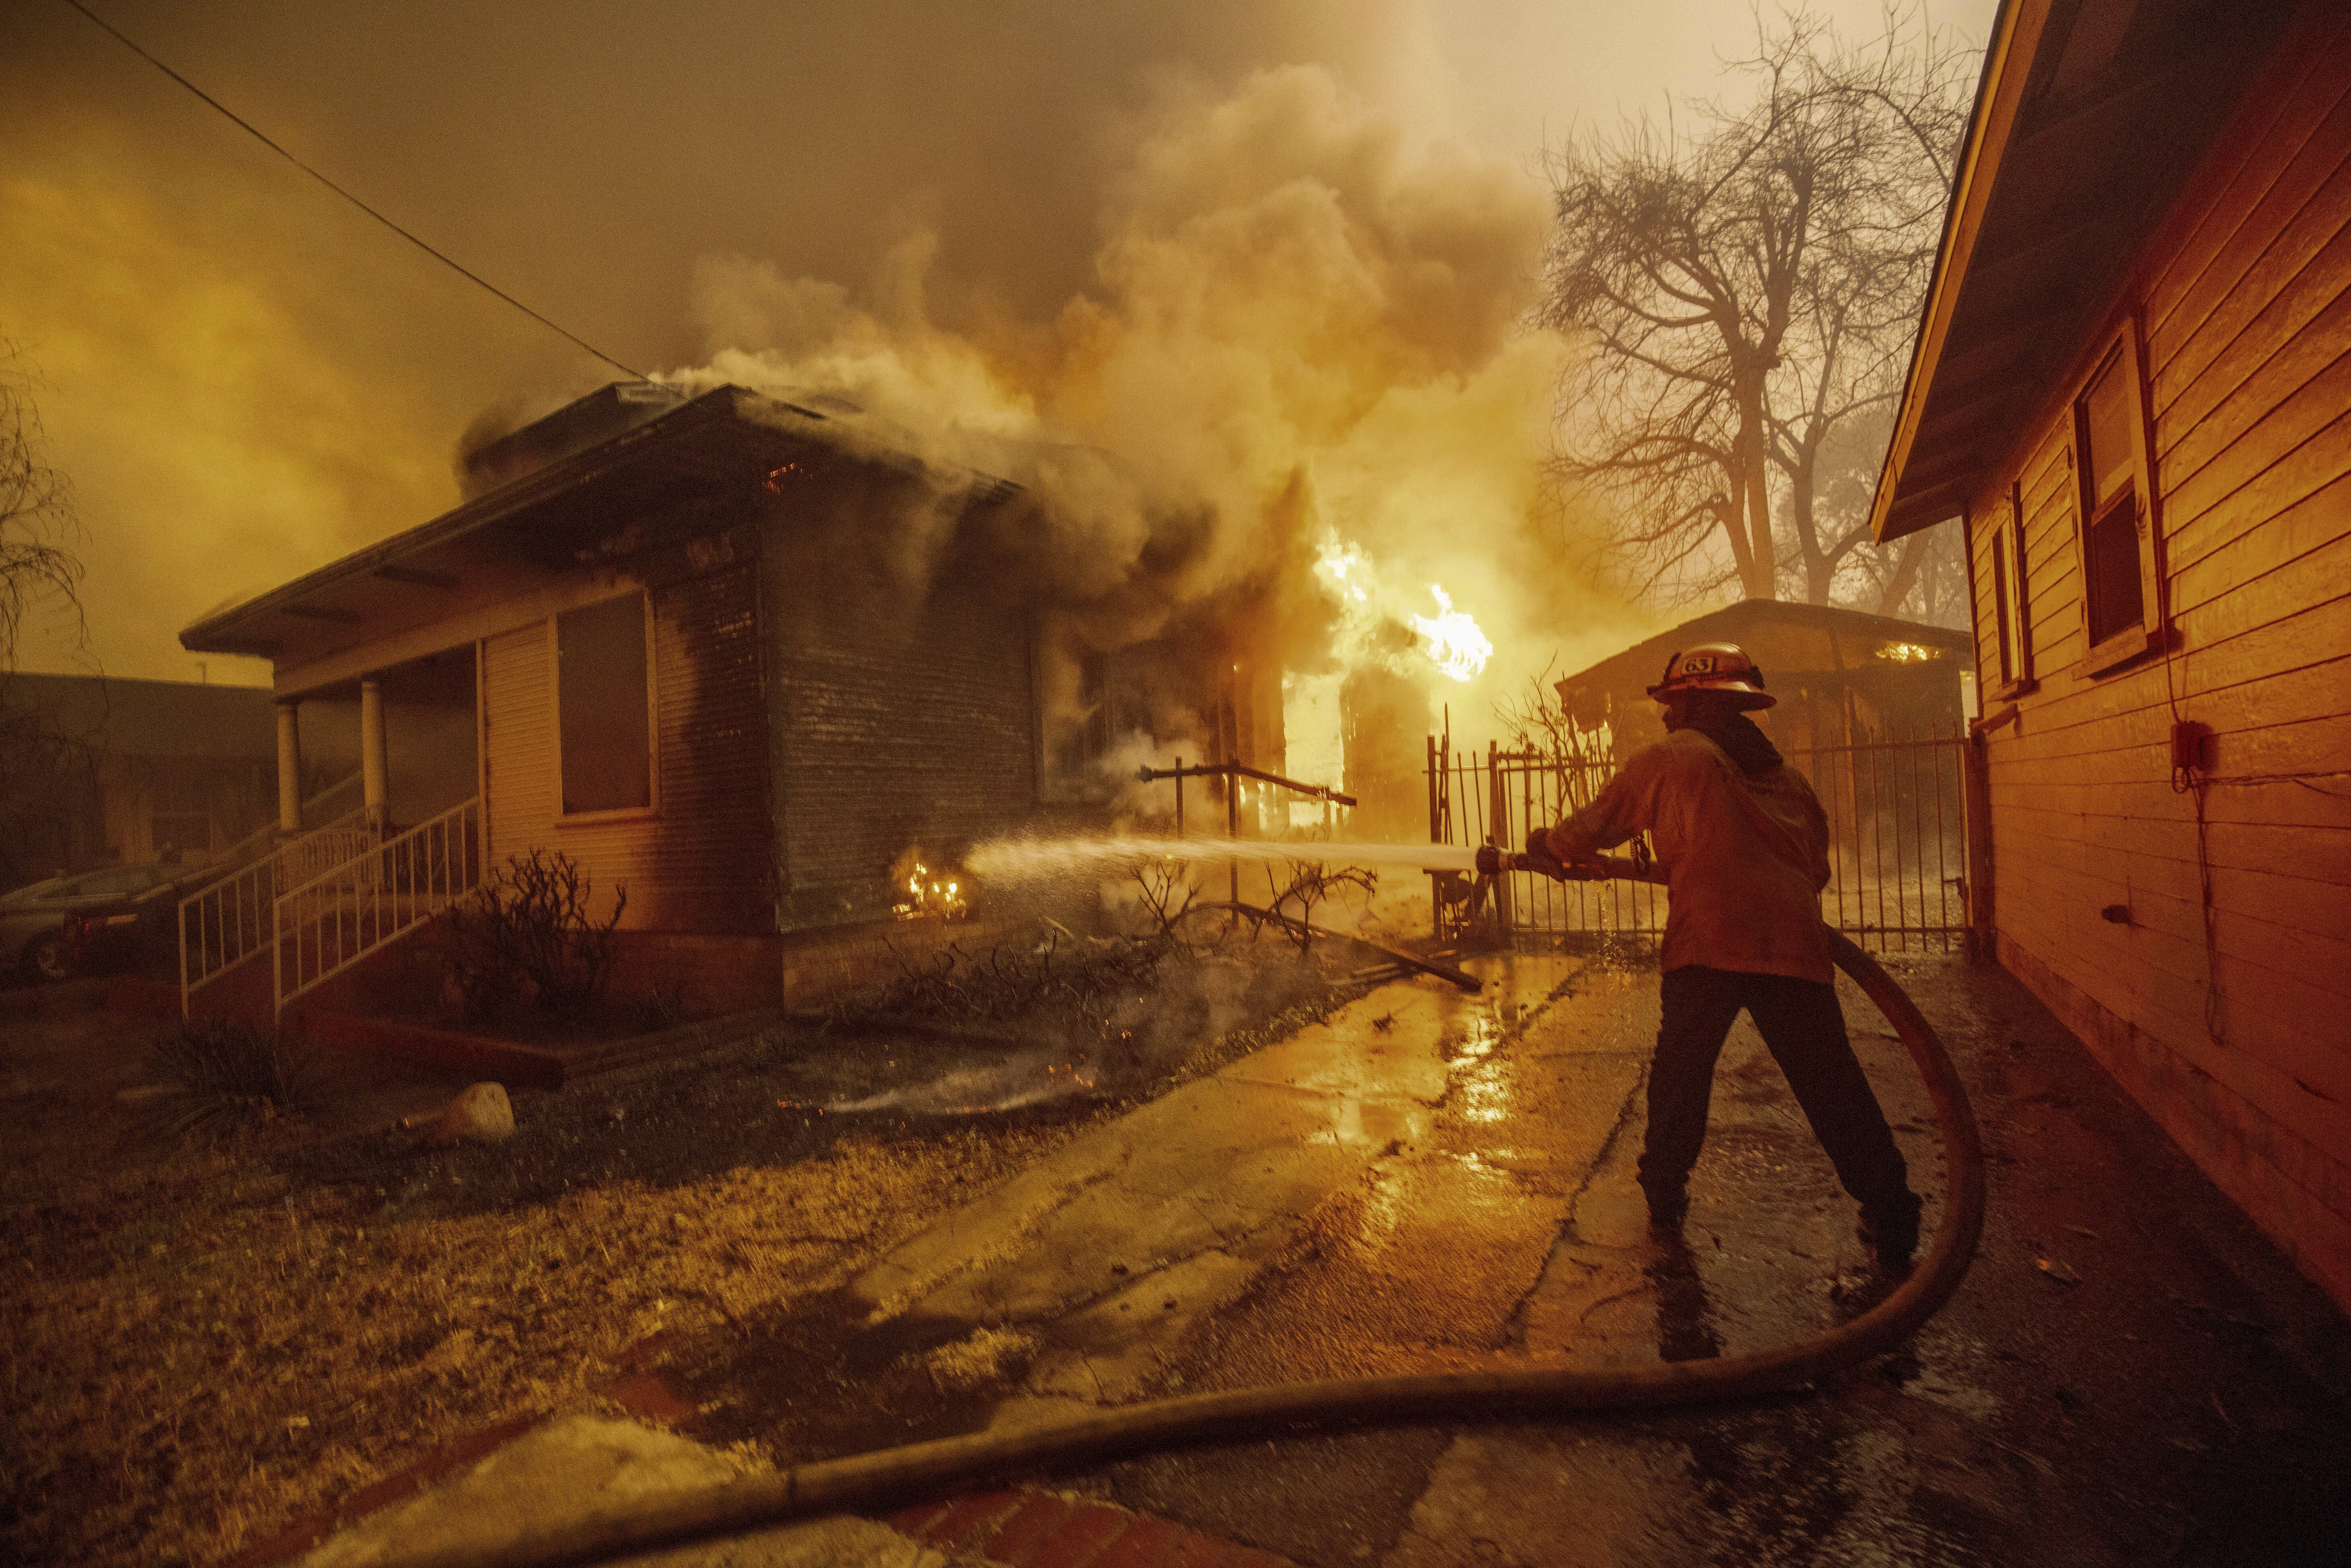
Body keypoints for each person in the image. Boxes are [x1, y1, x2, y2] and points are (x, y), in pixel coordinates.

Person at [1541, 642, 1924, 1277]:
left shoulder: (1673, 756)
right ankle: (1891, 1209)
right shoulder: (1792, 782)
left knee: (1680, 1076)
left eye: (1672, 702)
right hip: (1792, 945)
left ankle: (1663, 1198)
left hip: (1708, 945)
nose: (1665, 714)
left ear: (1696, 700)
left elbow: (1593, 825)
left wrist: (1547, 845)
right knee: (1832, 1085)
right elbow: (1816, 869)